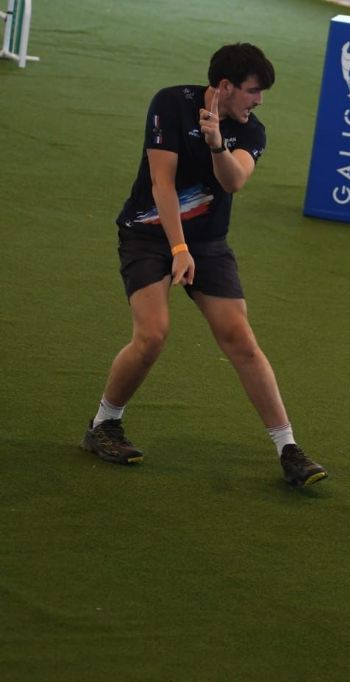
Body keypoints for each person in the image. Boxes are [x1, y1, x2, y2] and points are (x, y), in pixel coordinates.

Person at [82, 43, 327, 487]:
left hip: (209, 243)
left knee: (241, 340)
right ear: (226, 86)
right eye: (253, 91)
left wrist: (217, 144)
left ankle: (288, 448)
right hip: (148, 234)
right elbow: (162, 183)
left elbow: (233, 182)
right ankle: (103, 425)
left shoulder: (251, 131)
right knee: (153, 334)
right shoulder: (171, 104)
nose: (259, 101)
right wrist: (177, 249)